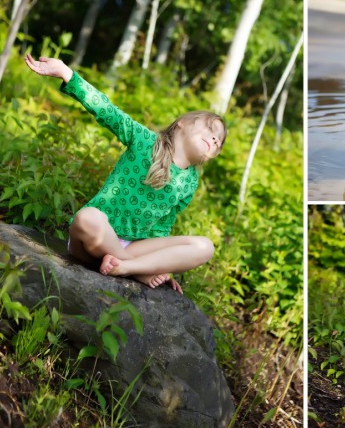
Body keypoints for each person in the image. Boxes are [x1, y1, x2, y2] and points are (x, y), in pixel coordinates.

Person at [25, 54, 228, 294]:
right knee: (87, 217)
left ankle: (125, 266)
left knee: (205, 246)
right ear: (182, 123)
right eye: (210, 129)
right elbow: (106, 110)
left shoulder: (189, 181)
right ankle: (137, 271)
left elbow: (161, 227)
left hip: (135, 249)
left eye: (219, 142)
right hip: (96, 239)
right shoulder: (143, 140)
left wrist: (162, 265)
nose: (215, 139)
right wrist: (67, 73)